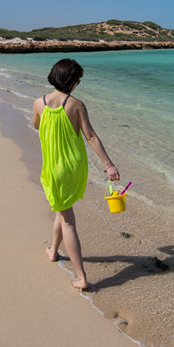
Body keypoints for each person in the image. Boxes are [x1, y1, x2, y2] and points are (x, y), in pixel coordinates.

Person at [32, 58, 120, 291]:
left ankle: (81, 277)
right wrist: (108, 164)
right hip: (73, 166)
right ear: (71, 81)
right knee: (63, 213)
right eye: (78, 81)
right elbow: (90, 137)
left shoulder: (38, 103)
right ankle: (53, 251)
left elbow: (36, 126)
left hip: (53, 168)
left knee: (67, 218)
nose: (78, 85)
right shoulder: (76, 105)